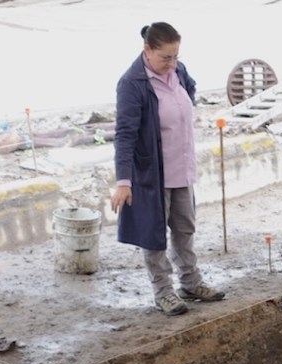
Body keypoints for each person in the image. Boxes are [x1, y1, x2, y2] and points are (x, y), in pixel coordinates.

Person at [111, 22, 225, 317]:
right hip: (152, 174)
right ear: (147, 50)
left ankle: (191, 282)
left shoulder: (179, 71)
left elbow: (190, 90)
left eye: (175, 56)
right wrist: (123, 180)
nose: (171, 63)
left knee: (185, 228)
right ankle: (163, 292)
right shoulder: (132, 84)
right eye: (165, 58)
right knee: (154, 234)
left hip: (182, 168)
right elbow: (124, 134)